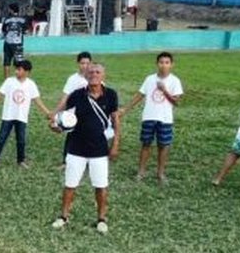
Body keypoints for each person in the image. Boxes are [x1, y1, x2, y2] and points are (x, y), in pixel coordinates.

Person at [49, 63, 120, 233]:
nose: (94, 74)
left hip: (100, 150)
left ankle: (101, 218)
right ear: (86, 75)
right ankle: (64, 216)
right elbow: (67, 119)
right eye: (91, 72)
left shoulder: (111, 95)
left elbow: (116, 120)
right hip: (76, 148)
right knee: (70, 185)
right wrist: (57, 127)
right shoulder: (76, 95)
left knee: (101, 186)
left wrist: (115, 144)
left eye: (98, 72)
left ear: (103, 75)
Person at [121, 51, 183, 184]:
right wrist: (126, 109)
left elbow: (176, 102)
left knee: (163, 146)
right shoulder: (150, 79)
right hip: (149, 116)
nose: (164, 65)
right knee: (146, 144)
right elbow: (140, 95)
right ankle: (141, 172)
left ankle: (160, 173)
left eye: (167, 63)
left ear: (172, 65)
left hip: (165, 119)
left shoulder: (174, 81)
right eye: (161, 62)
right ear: (157, 64)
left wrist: (165, 90)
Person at [0, 58, 52, 168]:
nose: (16, 71)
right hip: (8, 115)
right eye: (16, 69)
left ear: (27, 72)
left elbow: (37, 100)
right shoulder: (9, 81)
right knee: (2, 138)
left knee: (21, 140)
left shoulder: (31, 84)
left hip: (21, 116)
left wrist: (47, 112)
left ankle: (21, 160)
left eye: (19, 69)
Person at [54, 52, 94, 164]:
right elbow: (64, 98)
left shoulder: (94, 77)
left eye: (87, 63)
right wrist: (55, 114)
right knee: (72, 138)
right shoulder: (73, 79)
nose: (85, 66)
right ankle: (65, 162)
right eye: (82, 63)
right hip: (74, 115)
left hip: (90, 115)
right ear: (78, 63)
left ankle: (89, 162)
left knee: (90, 137)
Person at [0, 2, 29, 78]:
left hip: (8, 42)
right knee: (19, 62)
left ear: (11, 10)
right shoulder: (23, 19)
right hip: (18, 43)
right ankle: (19, 77)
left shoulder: (6, 19)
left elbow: (3, 30)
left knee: (6, 62)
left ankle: (6, 79)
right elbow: (26, 31)